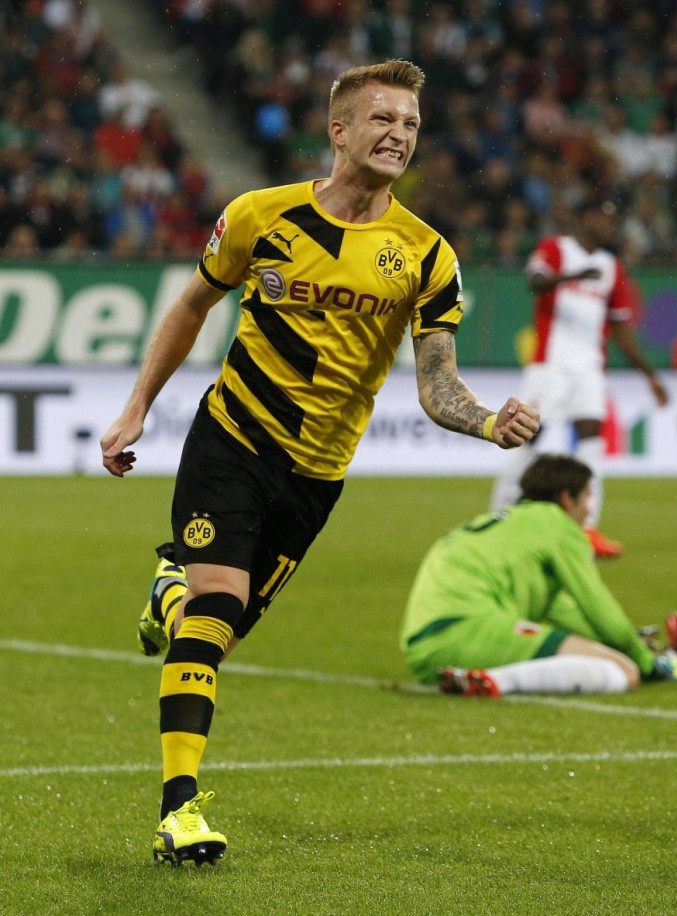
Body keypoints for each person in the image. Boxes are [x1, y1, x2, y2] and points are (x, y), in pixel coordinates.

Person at [100, 59, 540, 866]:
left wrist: (487, 421)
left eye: (409, 124)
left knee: (210, 630)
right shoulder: (259, 217)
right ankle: (179, 809)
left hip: (318, 475)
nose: (398, 135)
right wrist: (137, 409)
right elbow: (193, 306)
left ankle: (170, 592)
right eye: (382, 120)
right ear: (338, 131)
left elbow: (437, 384)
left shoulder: (426, 255)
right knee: (215, 614)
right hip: (232, 440)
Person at [401, 454, 677, 697]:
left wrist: (625, 641)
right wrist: (645, 663)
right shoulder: (558, 525)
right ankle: (495, 682)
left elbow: (568, 615)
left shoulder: (507, 525)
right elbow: (598, 606)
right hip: (469, 631)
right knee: (624, 672)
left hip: (423, 650)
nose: (589, 511)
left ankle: (469, 677)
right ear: (566, 498)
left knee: (601, 655)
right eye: (587, 497)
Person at [490, 198, 669, 558]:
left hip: (588, 368)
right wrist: (572, 277)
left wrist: (650, 376)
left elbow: (621, 331)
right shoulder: (556, 248)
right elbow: (534, 280)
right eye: (601, 217)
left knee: (592, 442)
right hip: (549, 366)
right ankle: (498, 519)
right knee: (527, 437)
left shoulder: (611, 266)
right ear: (584, 217)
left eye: (611, 221)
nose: (606, 226)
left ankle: (586, 530)